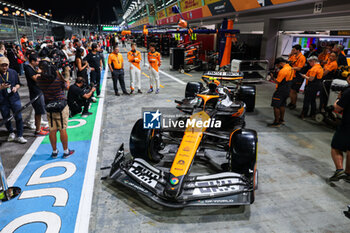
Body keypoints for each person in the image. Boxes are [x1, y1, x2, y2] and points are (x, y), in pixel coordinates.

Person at [36, 60, 74, 158]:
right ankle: (66, 151)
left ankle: (54, 151)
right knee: (62, 129)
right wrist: (64, 75)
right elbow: (66, 86)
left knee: (52, 130)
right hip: (61, 105)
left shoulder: (39, 80)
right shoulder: (57, 78)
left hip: (49, 106)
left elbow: (39, 76)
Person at [0, 57, 27, 143]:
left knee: (18, 117)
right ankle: (11, 132)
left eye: (6, 65)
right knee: (6, 117)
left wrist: (16, 87)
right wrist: (1, 87)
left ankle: (20, 135)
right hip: (2, 100)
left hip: (14, 98)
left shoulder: (13, 72)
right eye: (2, 65)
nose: (4, 67)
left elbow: (18, 83)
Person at [329, 75, 350, 182]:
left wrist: (338, 99)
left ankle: (339, 170)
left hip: (347, 124)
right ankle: (348, 173)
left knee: (335, 146)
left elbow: (338, 108)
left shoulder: (348, 92)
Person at [23, 54, 48, 136]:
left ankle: (39, 126)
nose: (38, 63)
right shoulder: (28, 68)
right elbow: (36, 79)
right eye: (37, 61)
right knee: (38, 111)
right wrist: (41, 73)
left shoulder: (33, 68)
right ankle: (37, 130)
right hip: (35, 93)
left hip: (38, 91)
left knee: (39, 111)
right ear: (32, 61)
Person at [268, 57, 293, 127]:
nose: (277, 67)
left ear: (280, 63)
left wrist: (272, 77)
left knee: (276, 105)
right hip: (287, 89)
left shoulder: (283, 70)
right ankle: (281, 120)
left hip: (281, 89)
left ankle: (276, 122)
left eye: (277, 65)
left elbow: (278, 81)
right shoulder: (290, 68)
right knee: (282, 104)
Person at [287, 44, 306, 110]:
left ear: (298, 50)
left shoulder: (302, 58)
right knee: (290, 90)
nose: (292, 51)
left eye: (294, 50)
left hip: (298, 76)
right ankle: (291, 102)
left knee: (294, 91)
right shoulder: (294, 56)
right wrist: (290, 55)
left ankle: (294, 104)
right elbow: (288, 62)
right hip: (292, 75)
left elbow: (299, 68)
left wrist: (291, 68)